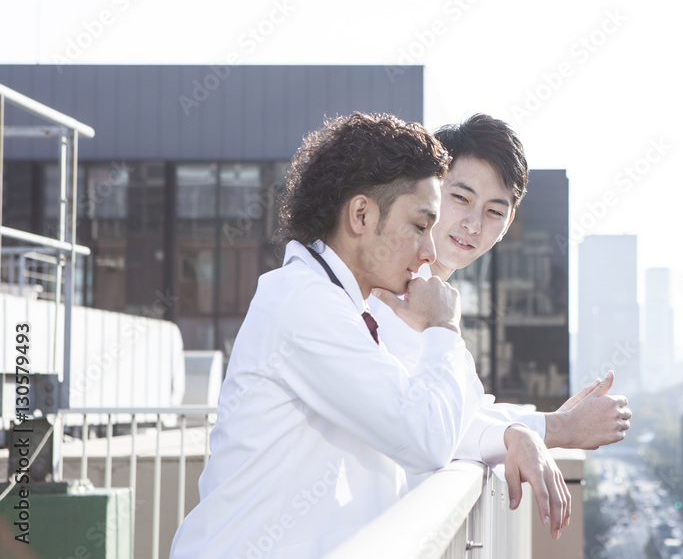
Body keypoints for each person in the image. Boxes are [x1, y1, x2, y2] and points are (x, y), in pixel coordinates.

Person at [171, 113, 486, 558]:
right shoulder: (305, 303)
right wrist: (444, 329)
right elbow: (428, 439)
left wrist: (526, 433)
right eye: (420, 225)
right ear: (361, 214)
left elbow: (442, 421)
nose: (429, 252)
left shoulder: (333, 302)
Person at [369, 114, 632, 537]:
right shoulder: (385, 289)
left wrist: (547, 423)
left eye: (494, 211)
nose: (474, 224)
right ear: (430, 190)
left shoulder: (436, 302)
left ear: (507, 225)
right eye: (461, 198)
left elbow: (464, 414)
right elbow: (421, 422)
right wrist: (556, 429)